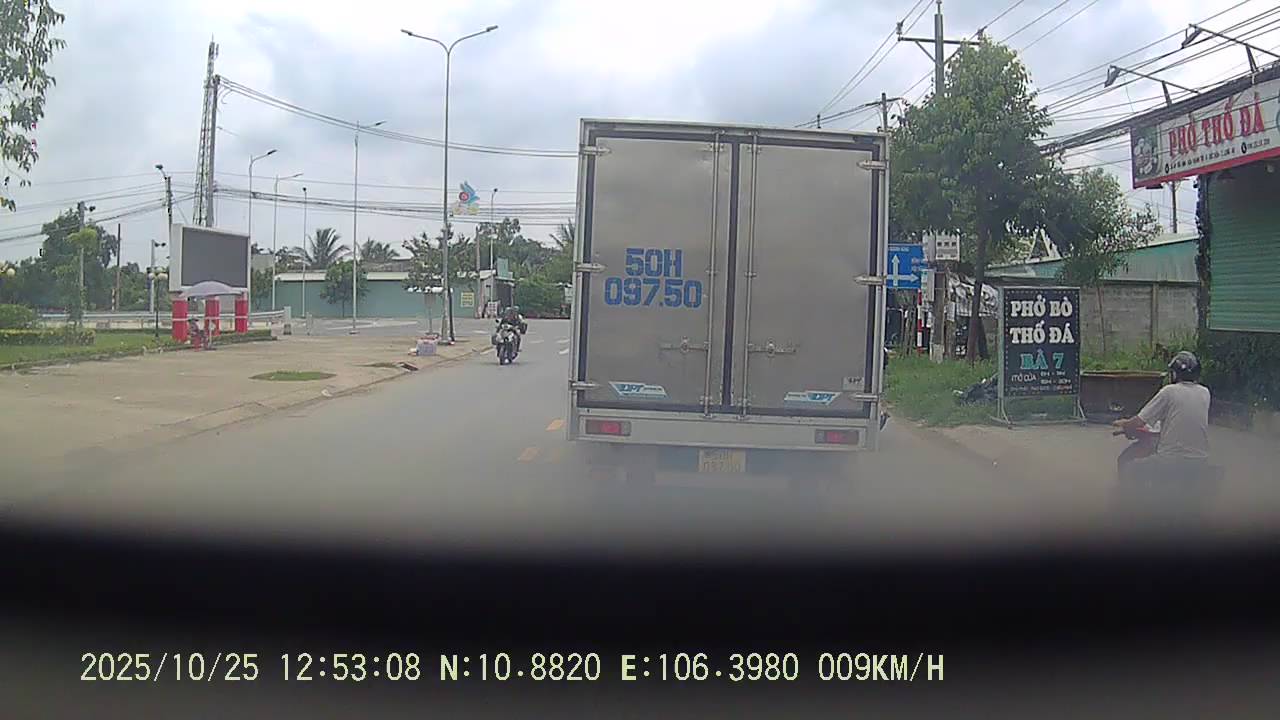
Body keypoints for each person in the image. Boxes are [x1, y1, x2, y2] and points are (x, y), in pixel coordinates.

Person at [1112, 351, 1212, 511]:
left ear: (1175, 374)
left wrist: (1125, 424)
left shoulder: (1169, 391)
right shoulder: (1205, 393)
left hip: (1170, 459)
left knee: (1132, 468)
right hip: (1200, 460)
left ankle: (1131, 510)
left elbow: (1139, 421)